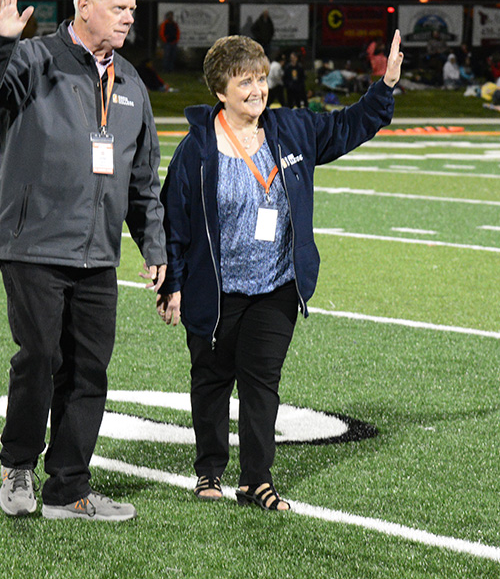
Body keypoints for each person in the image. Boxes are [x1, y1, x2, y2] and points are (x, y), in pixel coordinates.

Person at [0, 0, 167, 522]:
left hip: (98, 252)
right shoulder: (32, 58)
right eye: (120, 8)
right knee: (41, 357)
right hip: (34, 242)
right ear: (85, 6)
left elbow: (143, 179)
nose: (129, 17)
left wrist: (155, 249)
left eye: (133, 10)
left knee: (89, 369)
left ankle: (68, 490)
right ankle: (19, 463)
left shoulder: (131, 83)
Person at [156, 30, 403, 511]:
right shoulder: (197, 150)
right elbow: (175, 222)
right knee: (211, 380)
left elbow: (348, 126)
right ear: (220, 91)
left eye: (261, 78)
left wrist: (385, 87)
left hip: (276, 285)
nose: (257, 90)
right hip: (218, 290)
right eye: (244, 81)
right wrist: (173, 286)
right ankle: (209, 469)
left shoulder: (292, 129)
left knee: (261, 382)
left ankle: (255, 479)